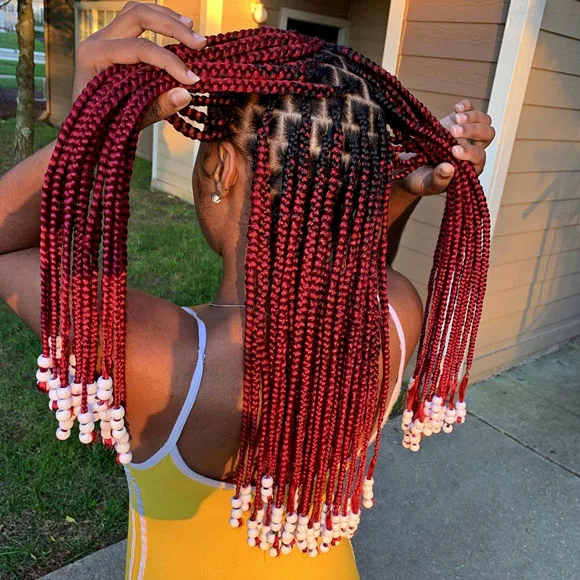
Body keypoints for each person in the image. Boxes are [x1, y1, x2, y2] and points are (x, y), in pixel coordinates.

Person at [0, 3, 495, 579]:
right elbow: (354, 273)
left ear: (219, 169)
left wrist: (92, 124)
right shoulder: (394, 313)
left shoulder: (164, 362)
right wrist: (399, 193)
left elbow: (6, 247)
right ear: (365, 184)